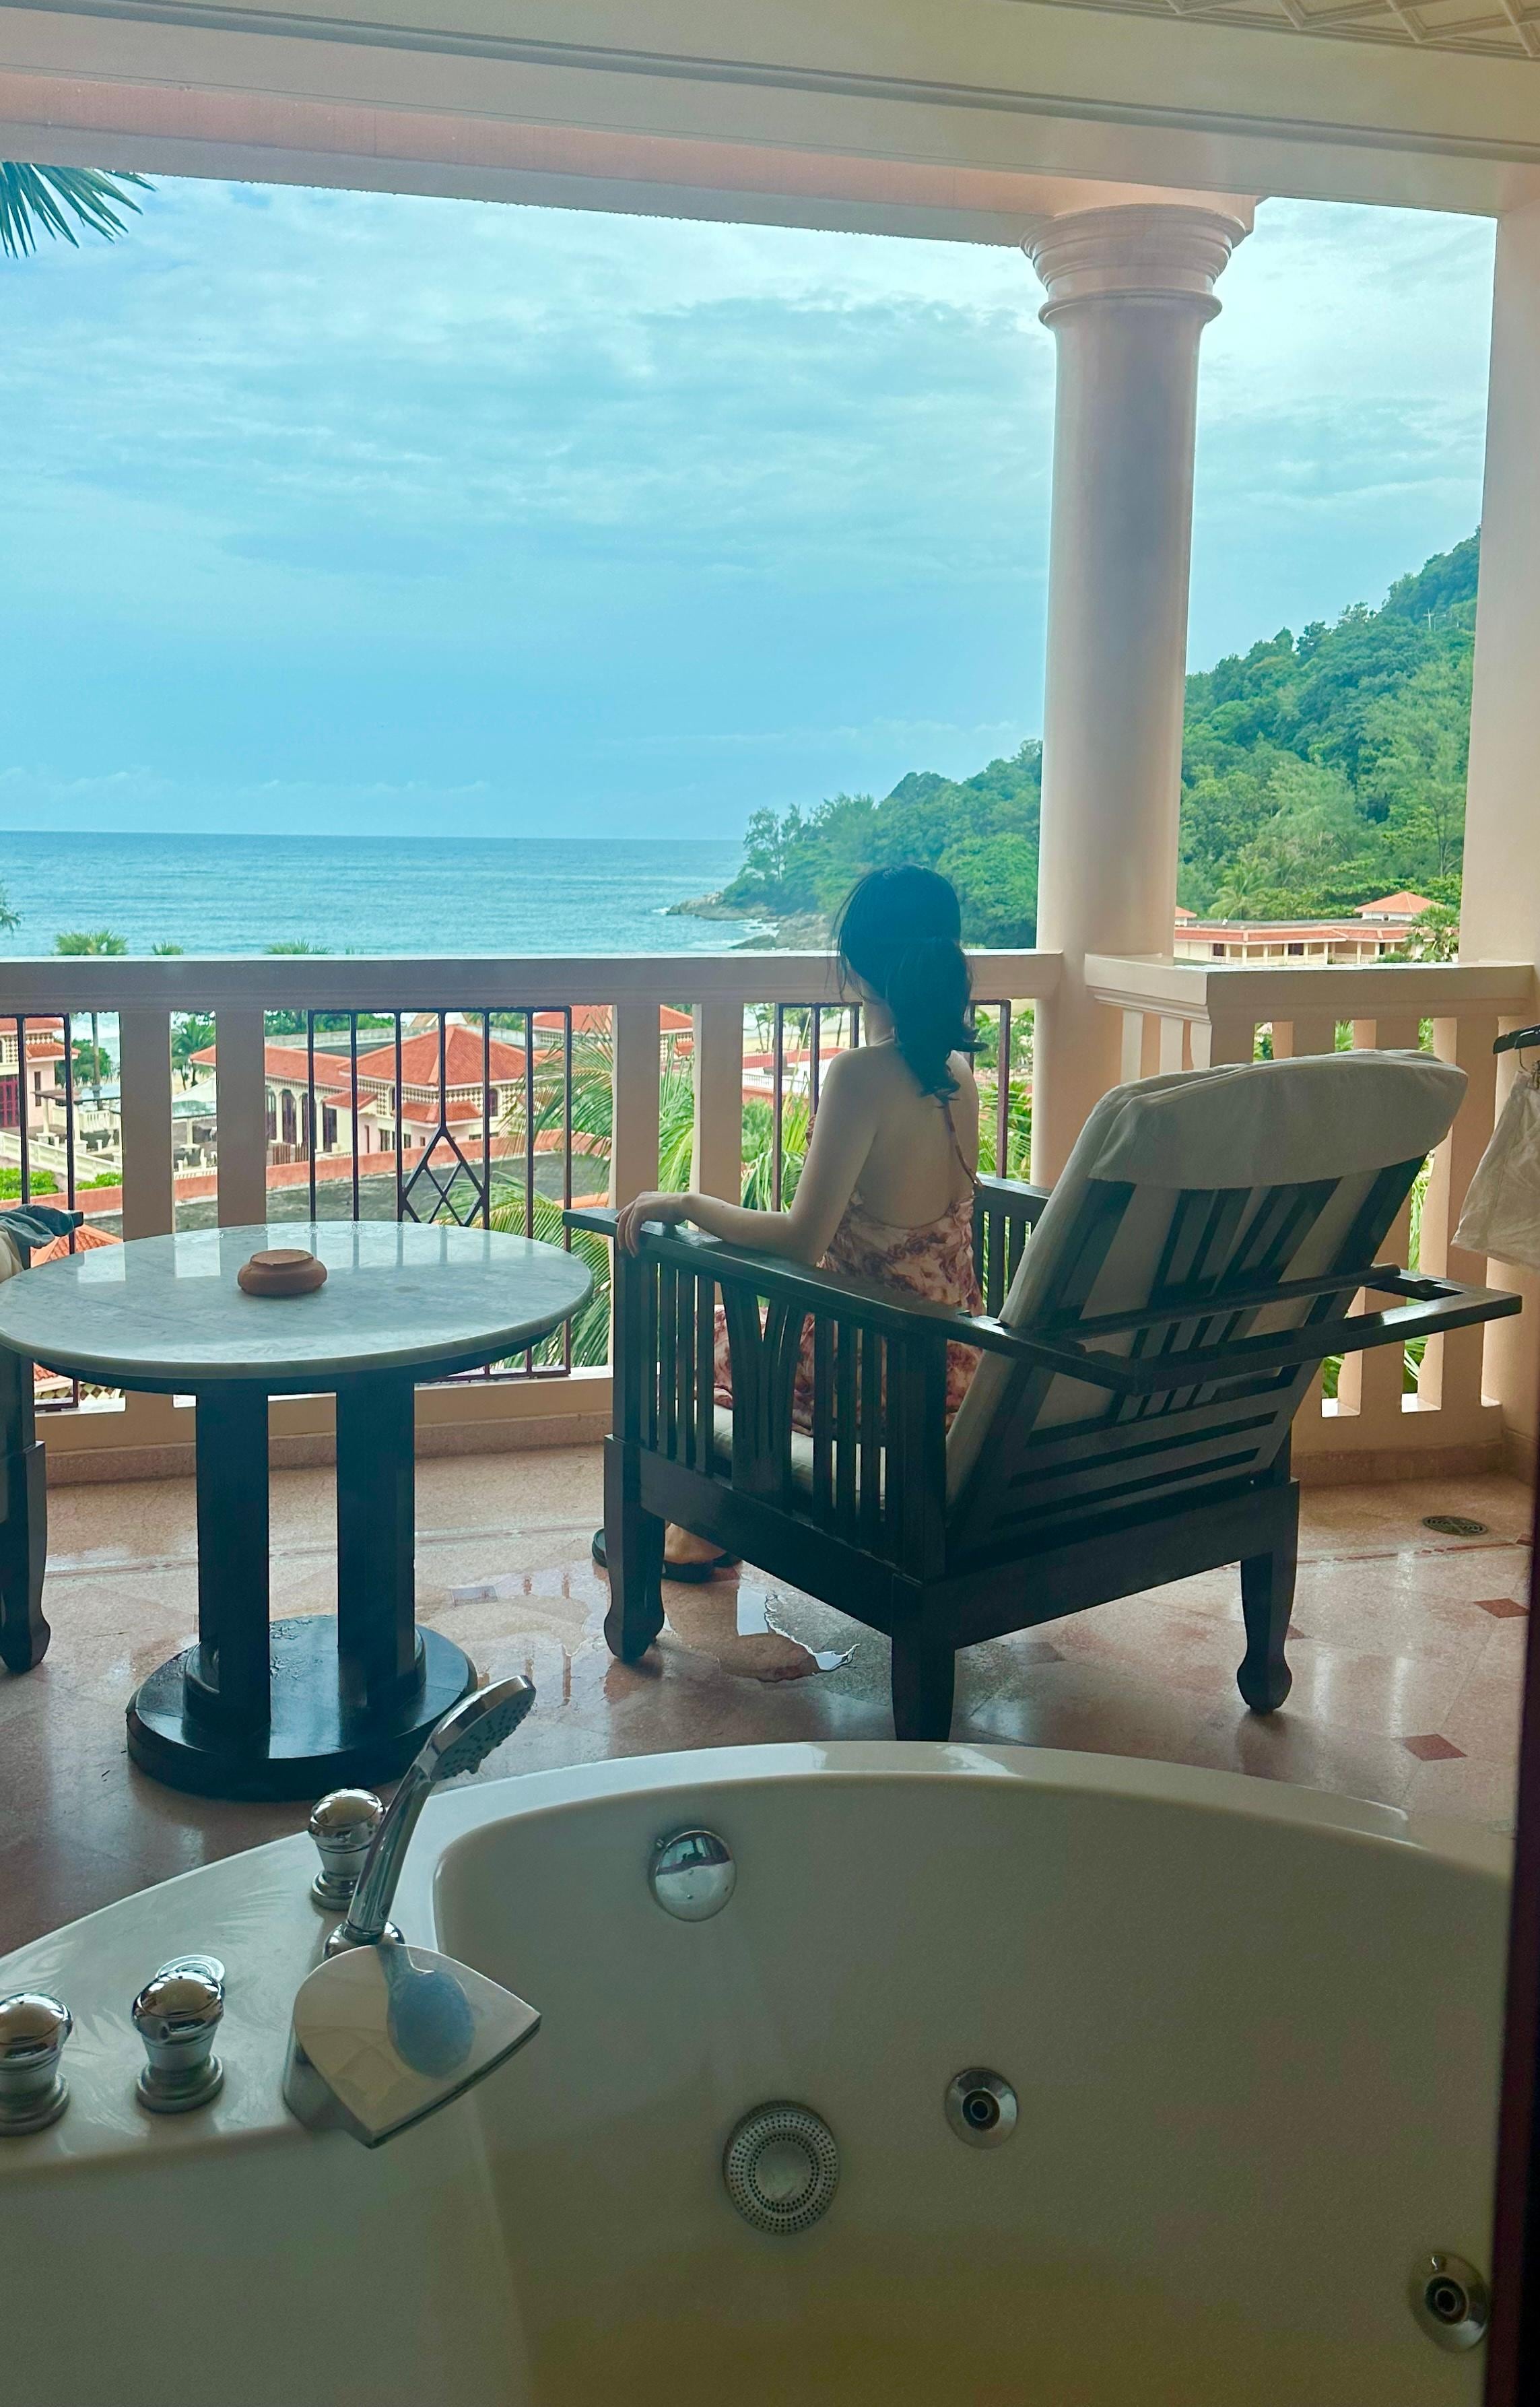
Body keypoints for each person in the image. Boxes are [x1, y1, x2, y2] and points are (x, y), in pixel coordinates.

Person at [599, 864, 983, 1581]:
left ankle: (697, 1531)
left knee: (695, 1332)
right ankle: (702, 1526)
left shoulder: (861, 1076)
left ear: (858, 970)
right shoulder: (957, 1074)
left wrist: (687, 1204)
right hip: (952, 1367)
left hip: (870, 1367)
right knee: (732, 1331)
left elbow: (803, 1241)